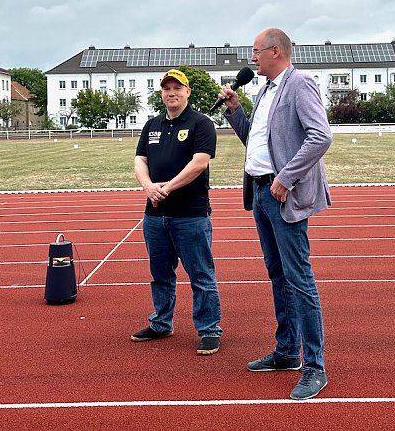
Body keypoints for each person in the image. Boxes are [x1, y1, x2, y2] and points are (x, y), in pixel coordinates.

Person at [217, 28, 333, 400]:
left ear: (276, 51)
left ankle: (315, 366)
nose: (252, 58)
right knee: (278, 273)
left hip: (283, 194)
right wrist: (235, 110)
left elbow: (321, 136)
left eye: (256, 51)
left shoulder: (300, 83)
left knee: (299, 277)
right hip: (260, 192)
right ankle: (287, 352)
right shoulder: (265, 89)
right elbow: (256, 138)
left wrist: (285, 178)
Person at [132, 68, 223, 355]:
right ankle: (161, 322)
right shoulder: (152, 125)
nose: (171, 93)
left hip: (190, 215)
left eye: (177, 88)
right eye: (166, 89)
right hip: (155, 215)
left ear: (188, 92)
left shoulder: (201, 124)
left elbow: (200, 163)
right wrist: (148, 186)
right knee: (160, 274)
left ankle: (209, 329)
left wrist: (167, 188)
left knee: (201, 275)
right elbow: (140, 160)